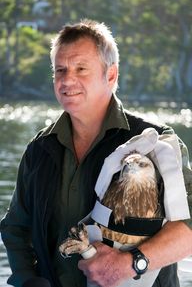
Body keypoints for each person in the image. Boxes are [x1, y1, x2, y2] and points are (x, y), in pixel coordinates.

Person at [0, 19, 192, 287]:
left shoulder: (156, 144)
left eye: (81, 68)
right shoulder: (39, 149)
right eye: (60, 69)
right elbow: (15, 229)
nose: (67, 79)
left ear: (110, 75)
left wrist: (130, 263)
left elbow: (189, 229)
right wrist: (27, 280)